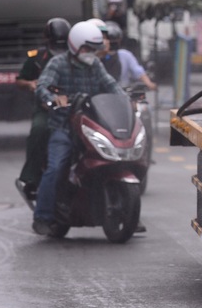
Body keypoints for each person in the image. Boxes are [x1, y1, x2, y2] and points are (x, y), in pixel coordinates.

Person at [31, 21, 126, 235]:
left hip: (92, 126)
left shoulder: (95, 66)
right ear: (74, 46)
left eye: (93, 50)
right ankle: (42, 216)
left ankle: (125, 211)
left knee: (115, 158)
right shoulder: (58, 63)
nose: (90, 54)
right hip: (64, 126)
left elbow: (111, 85)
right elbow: (43, 86)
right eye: (86, 49)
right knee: (56, 167)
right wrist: (51, 99)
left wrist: (126, 101)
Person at [14, 17, 71, 205]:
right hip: (48, 108)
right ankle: (31, 178)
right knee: (39, 130)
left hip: (73, 107)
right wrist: (32, 85)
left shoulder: (77, 57)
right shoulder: (37, 58)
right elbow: (22, 81)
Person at [102, 22, 155, 91]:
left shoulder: (125, 55)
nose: (111, 44)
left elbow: (138, 71)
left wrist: (149, 83)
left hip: (122, 94)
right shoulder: (96, 57)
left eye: (114, 42)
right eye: (108, 40)